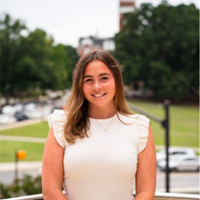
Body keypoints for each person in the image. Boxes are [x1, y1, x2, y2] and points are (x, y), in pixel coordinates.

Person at [42, 50, 156, 200]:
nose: (97, 87)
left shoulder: (139, 127)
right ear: (80, 85)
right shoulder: (62, 124)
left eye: (104, 78)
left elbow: (145, 193)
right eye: (88, 80)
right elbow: (51, 192)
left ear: (116, 80)